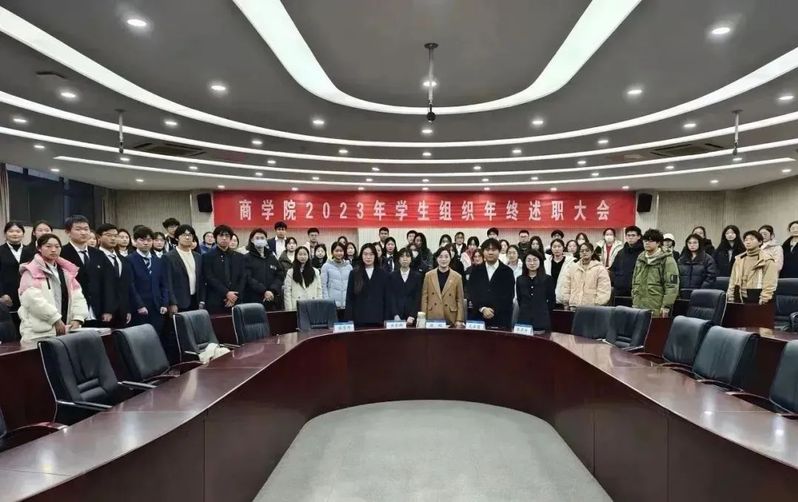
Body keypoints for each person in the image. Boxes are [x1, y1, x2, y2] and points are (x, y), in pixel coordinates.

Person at [18, 234, 88, 341]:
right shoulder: (31, 271)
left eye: (57, 246)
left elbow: (78, 297)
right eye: (48, 246)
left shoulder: (66, 272)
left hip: (66, 330)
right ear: (39, 248)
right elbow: (33, 301)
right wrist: (55, 319)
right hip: (39, 333)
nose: (53, 250)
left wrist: (78, 318)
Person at [60, 215, 107, 326]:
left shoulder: (98, 254)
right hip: (73, 312)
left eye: (86, 229)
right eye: (78, 229)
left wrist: (108, 309)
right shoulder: (61, 253)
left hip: (98, 311)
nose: (83, 232)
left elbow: (106, 282)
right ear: (68, 232)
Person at [127, 226, 169, 333]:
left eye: (149, 240)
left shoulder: (158, 260)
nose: (146, 243)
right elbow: (130, 285)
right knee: (141, 338)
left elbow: (164, 284)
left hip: (158, 307)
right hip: (139, 309)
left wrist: (165, 303)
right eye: (142, 240)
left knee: (158, 336)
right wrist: (139, 305)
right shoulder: (129, 260)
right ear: (135, 241)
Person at [467, 238, 515, 330]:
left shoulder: (507, 272)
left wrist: (494, 310)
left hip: (501, 318)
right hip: (479, 317)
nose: (490, 252)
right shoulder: (476, 271)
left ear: (499, 251)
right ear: (483, 252)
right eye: (487, 249)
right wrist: (483, 309)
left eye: (493, 250)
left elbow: (509, 295)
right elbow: (472, 292)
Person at [631, 229, 680, 317]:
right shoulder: (640, 258)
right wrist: (634, 298)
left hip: (656, 307)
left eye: (650, 241)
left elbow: (672, 285)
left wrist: (666, 306)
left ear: (658, 243)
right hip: (638, 305)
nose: (647, 243)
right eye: (645, 241)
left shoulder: (668, 260)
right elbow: (634, 280)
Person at [95, 223, 133, 327]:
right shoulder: (94, 258)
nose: (113, 238)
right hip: (104, 312)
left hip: (122, 312)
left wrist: (127, 309)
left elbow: (126, 286)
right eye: (108, 235)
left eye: (115, 236)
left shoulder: (123, 260)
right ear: (99, 237)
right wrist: (106, 309)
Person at [202, 225, 247, 313]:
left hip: (236, 299)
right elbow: (209, 277)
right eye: (221, 235)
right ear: (215, 238)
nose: (224, 238)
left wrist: (234, 296)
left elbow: (243, 277)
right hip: (215, 300)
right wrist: (226, 293)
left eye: (227, 236)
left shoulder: (239, 257)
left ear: (230, 238)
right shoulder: (207, 256)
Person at [727, 230, 778, 304]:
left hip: (758, 296)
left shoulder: (767, 260)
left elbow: (770, 282)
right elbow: (733, 280)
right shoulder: (739, 259)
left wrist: (765, 297)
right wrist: (730, 296)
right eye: (746, 240)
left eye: (751, 239)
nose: (748, 242)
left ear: (760, 242)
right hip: (740, 296)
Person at [345, 243, 389, 327]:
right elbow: (349, 298)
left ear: (375, 256)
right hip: (359, 319)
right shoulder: (354, 273)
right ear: (361, 255)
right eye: (365, 254)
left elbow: (387, 298)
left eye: (371, 254)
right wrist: (349, 319)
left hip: (378, 318)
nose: (368, 257)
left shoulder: (383, 274)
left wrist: (387, 318)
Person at [165, 224, 205, 313]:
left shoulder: (198, 256)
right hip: (179, 302)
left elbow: (201, 279)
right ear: (177, 238)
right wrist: (172, 302)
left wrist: (202, 300)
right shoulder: (168, 257)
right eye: (184, 235)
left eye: (190, 235)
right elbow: (168, 282)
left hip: (196, 300)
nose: (187, 237)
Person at [420, 247, 465, 327]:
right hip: (432, 315)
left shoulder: (457, 277)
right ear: (436, 258)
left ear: (450, 258)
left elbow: (459, 299)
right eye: (440, 257)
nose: (443, 259)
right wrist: (423, 317)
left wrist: (459, 319)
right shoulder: (428, 275)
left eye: (446, 257)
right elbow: (424, 298)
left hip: (450, 316)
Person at [559, 242, 611, 308]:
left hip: (592, 307)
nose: (584, 252)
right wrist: (566, 301)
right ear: (579, 253)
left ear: (592, 252)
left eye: (587, 250)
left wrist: (597, 304)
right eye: (582, 251)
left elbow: (604, 289)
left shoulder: (600, 269)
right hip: (574, 306)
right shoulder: (573, 268)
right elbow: (566, 286)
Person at [243, 228, 284, 311]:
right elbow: (248, 278)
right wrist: (264, 291)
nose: (260, 240)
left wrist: (272, 290)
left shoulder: (272, 257)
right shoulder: (246, 258)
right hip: (254, 300)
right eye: (257, 238)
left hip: (272, 299)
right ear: (252, 240)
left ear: (266, 240)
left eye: (262, 238)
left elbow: (280, 275)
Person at [516, 249, 556, 331]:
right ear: (525, 262)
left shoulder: (548, 279)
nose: (532, 263)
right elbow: (520, 299)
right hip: (524, 319)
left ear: (540, 261)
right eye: (529, 260)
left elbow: (551, 300)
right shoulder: (520, 279)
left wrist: (543, 311)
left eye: (535, 260)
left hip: (542, 319)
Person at [0, 221, 35, 311]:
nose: (15, 234)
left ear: (23, 234)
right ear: (5, 234)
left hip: (29, 295)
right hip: (7, 296)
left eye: (18, 231)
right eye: (11, 231)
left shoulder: (31, 251)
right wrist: (1, 294)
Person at [388, 248, 422, 325]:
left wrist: (412, 315)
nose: (405, 259)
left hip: (412, 317)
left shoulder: (417, 276)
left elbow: (418, 297)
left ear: (411, 259)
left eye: (407, 256)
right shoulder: (392, 276)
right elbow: (391, 296)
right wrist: (395, 314)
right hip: (396, 317)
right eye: (402, 256)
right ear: (398, 259)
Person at [283, 246, 322, 310]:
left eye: (305, 254)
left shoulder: (315, 271)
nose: (302, 257)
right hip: (296, 306)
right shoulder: (290, 272)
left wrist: (319, 307)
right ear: (296, 256)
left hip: (312, 305)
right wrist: (289, 310)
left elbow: (319, 290)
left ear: (308, 256)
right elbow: (287, 292)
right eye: (300, 254)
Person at [609, 226, 644, 297]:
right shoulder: (621, 252)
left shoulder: (643, 253)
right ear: (625, 237)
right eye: (628, 235)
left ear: (639, 237)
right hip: (619, 291)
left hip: (637, 292)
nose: (630, 237)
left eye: (633, 235)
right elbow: (613, 270)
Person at [321, 242, 353, 309]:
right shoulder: (326, 266)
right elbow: (323, 286)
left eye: (341, 251)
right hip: (332, 305)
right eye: (336, 251)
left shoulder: (349, 266)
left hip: (346, 304)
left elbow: (352, 286)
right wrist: (327, 302)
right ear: (332, 252)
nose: (339, 253)